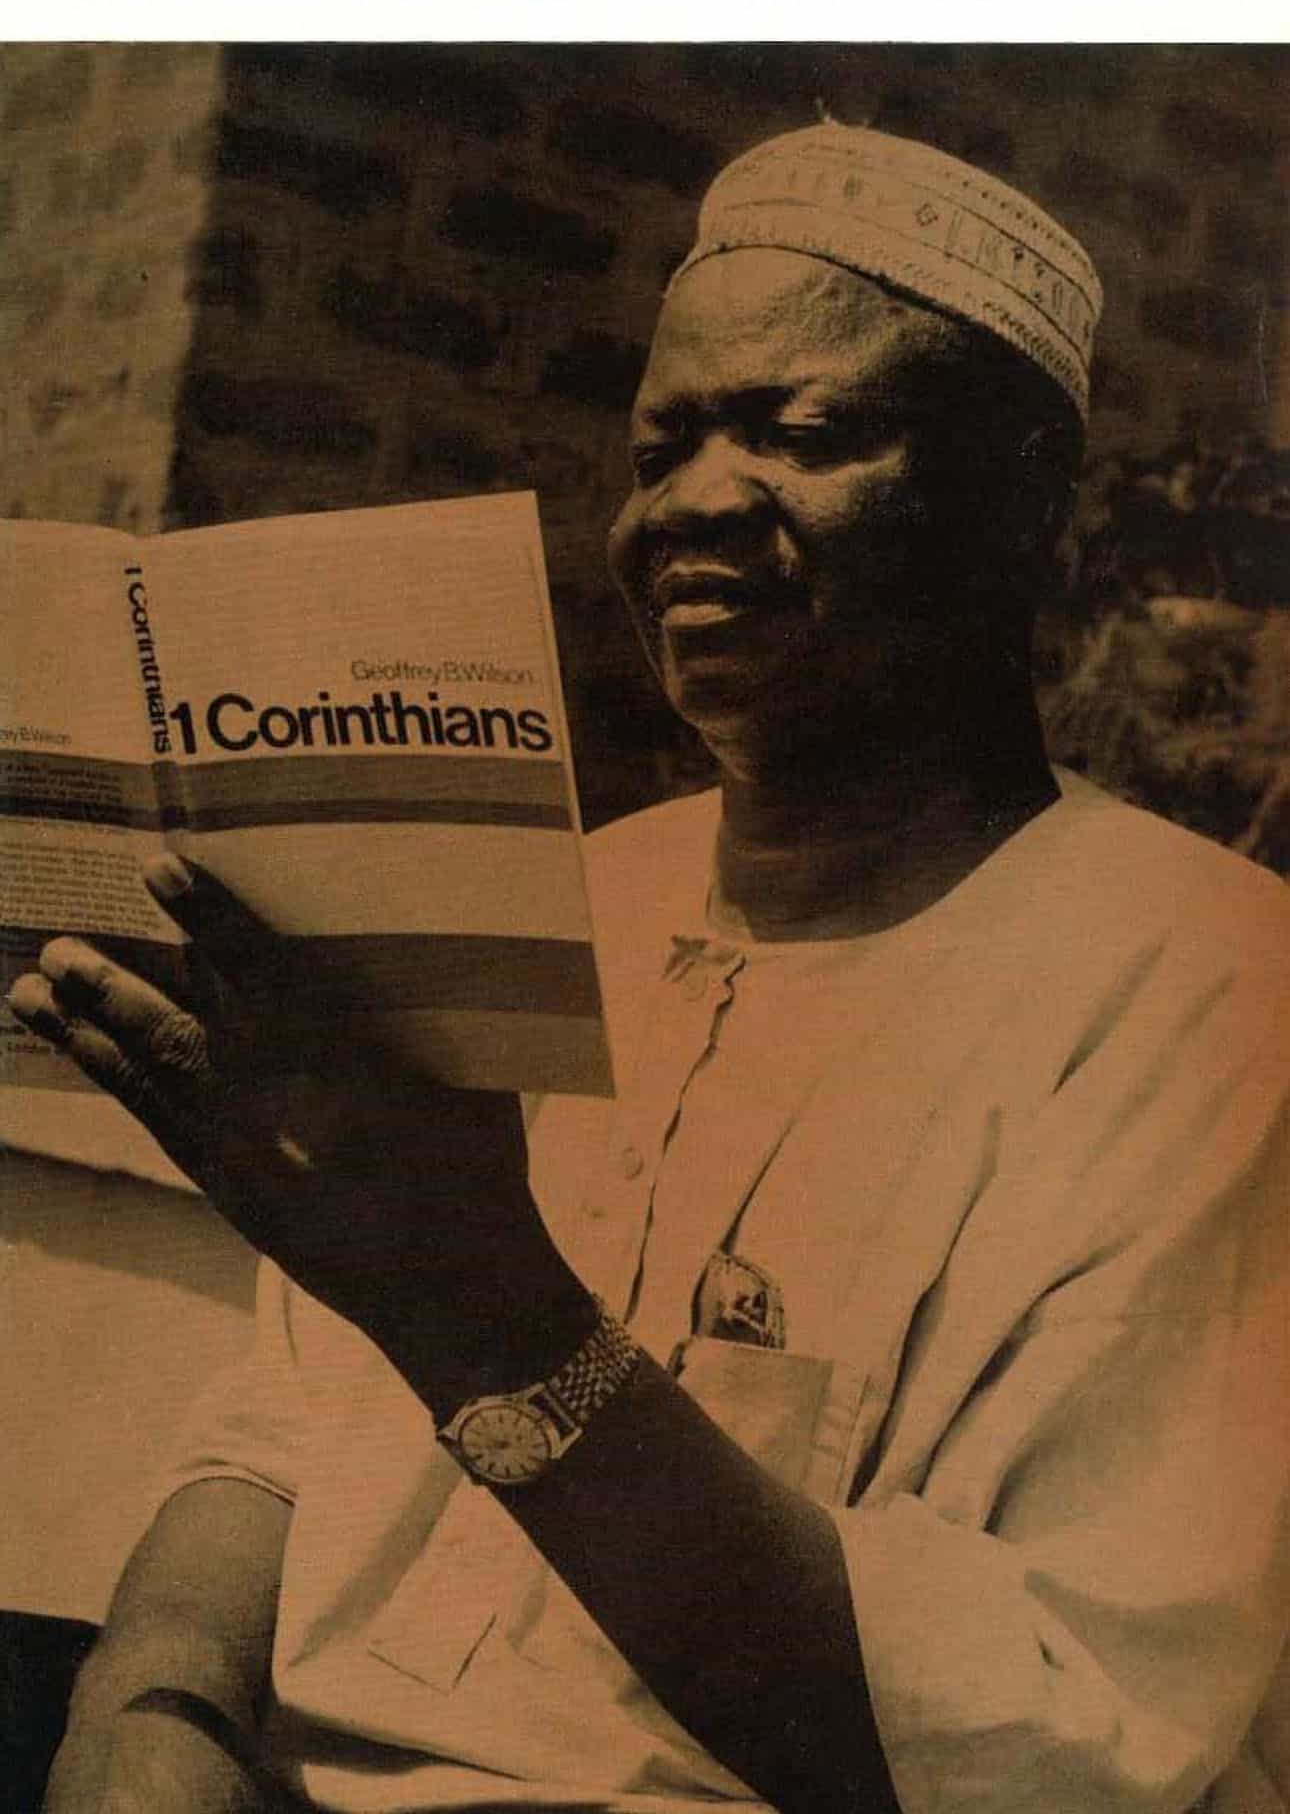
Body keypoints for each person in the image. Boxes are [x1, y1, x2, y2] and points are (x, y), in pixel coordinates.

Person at [10, 124, 1290, 1814]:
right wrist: (145, 1713)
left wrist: (475, 1299)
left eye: (800, 433)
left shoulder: (1204, 991)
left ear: (1022, 495)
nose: (690, 501)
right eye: (658, 445)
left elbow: (1043, 1755)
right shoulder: (572, 901)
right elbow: (279, 1433)